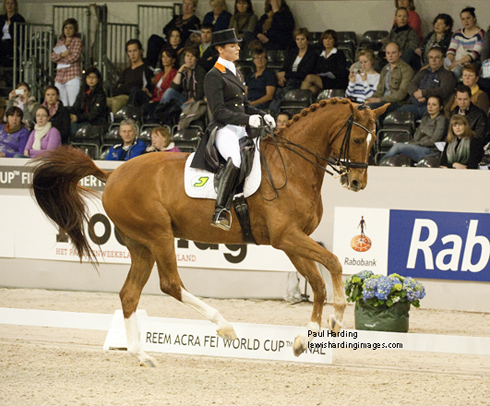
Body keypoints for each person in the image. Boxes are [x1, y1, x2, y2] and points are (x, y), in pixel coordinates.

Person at [190, 28, 275, 230]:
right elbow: (218, 111)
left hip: (240, 127)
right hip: (223, 129)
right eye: (232, 45)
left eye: (237, 44)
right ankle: (220, 210)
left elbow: (244, 105)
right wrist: (248, 120)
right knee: (235, 158)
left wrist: (263, 115)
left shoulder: (236, 72)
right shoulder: (213, 75)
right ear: (220, 49)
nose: (238, 48)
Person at [382, 95, 448, 164]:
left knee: (398, 146)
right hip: (418, 147)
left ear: (440, 107)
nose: (430, 107)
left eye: (434, 105)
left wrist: (416, 143)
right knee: (399, 151)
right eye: (428, 104)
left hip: (430, 150)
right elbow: (416, 137)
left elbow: (434, 140)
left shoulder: (441, 119)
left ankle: (379, 165)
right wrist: (412, 142)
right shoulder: (425, 119)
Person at [396, 46, 456, 120]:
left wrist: (424, 93)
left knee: (427, 122)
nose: (433, 60)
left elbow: (443, 91)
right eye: (431, 57)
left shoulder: (447, 75)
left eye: (437, 57)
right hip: (414, 105)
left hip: (432, 108)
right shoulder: (423, 72)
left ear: (442, 59)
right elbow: (411, 85)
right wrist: (417, 94)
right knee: (395, 117)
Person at [270, 27, 318, 115]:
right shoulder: (292, 52)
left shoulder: (312, 54)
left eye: (302, 39)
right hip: (288, 80)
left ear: (307, 40)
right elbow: (284, 67)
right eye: (297, 39)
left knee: (279, 93)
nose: (300, 42)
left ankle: (274, 116)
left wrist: (286, 74)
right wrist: (281, 77)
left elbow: (305, 73)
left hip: (300, 81)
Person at [366, 42, 414, 118]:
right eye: (388, 53)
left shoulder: (406, 70)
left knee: (373, 107)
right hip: (383, 101)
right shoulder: (385, 69)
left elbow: (401, 94)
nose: (390, 56)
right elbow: (379, 90)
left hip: (397, 103)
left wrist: (379, 100)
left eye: (393, 53)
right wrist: (369, 100)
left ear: (399, 53)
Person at [107, 39, 153, 115]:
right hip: (120, 96)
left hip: (133, 98)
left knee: (117, 102)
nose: (132, 54)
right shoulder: (126, 71)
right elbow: (115, 88)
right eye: (130, 51)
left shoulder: (145, 69)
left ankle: (117, 123)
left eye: (135, 51)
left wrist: (122, 87)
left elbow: (138, 87)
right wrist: (126, 87)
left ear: (140, 51)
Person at [301, 29, 348, 97]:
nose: (327, 41)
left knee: (310, 77)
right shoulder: (320, 55)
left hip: (334, 81)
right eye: (325, 38)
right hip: (322, 80)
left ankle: (299, 98)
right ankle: (307, 105)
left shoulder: (338, 53)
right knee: (312, 90)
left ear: (334, 41)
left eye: (330, 39)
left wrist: (327, 74)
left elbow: (342, 71)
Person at [159, 45, 205, 110]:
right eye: (187, 56)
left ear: (196, 59)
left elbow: (200, 95)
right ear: (184, 58)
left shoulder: (200, 72)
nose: (189, 58)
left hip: (196, 102)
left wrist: (186, 103)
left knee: (182, 108)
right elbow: (174, 87)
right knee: (169, 91)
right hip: (184, 99)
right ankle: (159, 113)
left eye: (192, 56)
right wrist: (180, 71)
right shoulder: (183, 70)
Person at [50, 18, 83, 107]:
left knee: (73, 103)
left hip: (72, 76)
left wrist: (60, 59)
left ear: (75, 30)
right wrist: (62, 55)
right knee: (61, 103)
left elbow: (74, 57)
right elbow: (52, 57)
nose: (67, 30)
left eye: (70, 28)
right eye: (66, 28)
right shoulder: (60, 42)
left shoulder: (77, 41)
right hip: (59, 76)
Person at [446, 7, 485, 80]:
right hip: (456, 59)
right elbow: (451, 50)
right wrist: (448, 62)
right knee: (439, 68)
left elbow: (475, 54)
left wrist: (457, 63)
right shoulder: (457, 33)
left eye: (468, 18)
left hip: (470, 62)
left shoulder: (480, 33)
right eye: (463, 19)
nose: (466, 21)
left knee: (456, 71)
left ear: (474, 18)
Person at [140, 48, 178, 120]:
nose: (165, 59)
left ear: (173, 60)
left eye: (168, 56)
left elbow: (168, 93)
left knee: (146, 107)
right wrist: (148, 93)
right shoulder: (160, 75)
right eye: (163, 56)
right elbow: (155, 94)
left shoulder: (174, 73)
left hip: (164, 101)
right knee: (136, 91)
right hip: (156, 99)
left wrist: (154, 100)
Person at [69, 67, 108, 135]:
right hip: (82, 120)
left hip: (95, 122)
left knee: (74, 127)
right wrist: (70, 115)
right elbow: (76, 107)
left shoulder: (101, 94)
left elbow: (94, 114)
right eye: (89, 77)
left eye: (94, 77)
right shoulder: (83, 92)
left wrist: (78, 118)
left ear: (98, 79)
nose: (91, 79)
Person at [0, 0, 25, 83]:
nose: (9, 6)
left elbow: (19, 35)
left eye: (12, 3)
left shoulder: (19, 19)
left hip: (12, 44)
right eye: (7, 3)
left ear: (15, 5)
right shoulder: (1, 18)